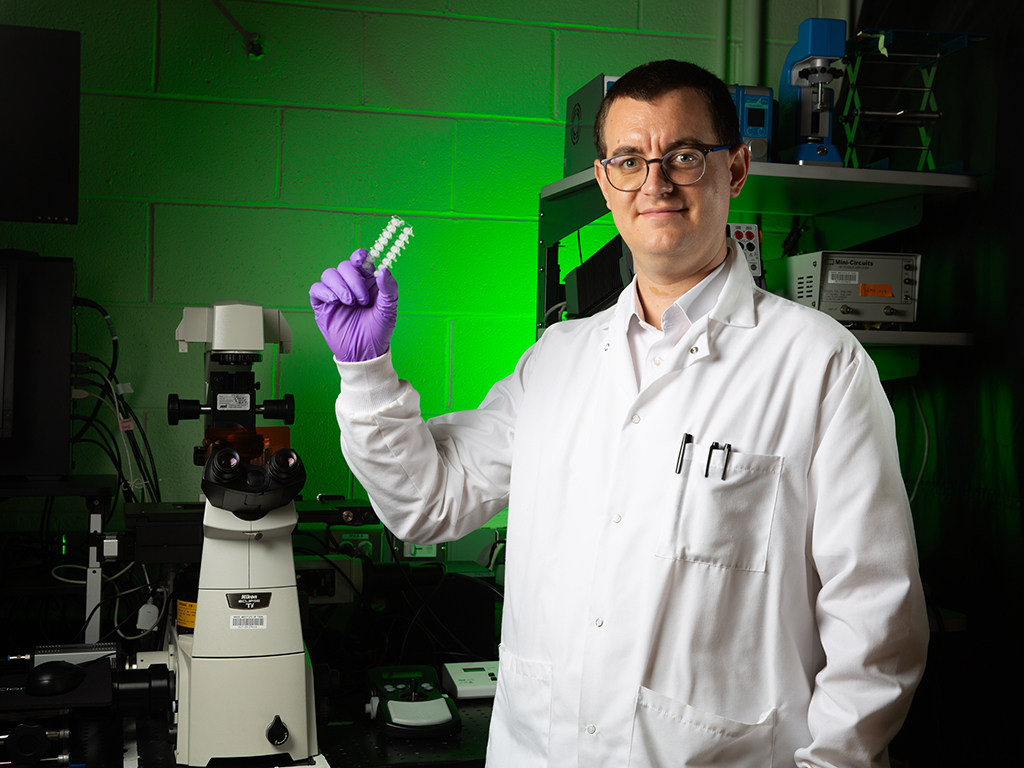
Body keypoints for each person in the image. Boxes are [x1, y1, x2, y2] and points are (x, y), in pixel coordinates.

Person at [309, 59, 929, 768]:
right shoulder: (555, 362)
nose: (655, 183)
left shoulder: (819, 364)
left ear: (736, 169)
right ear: (606, 184)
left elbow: (875, 623)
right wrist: (364, 373)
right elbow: (426, 503)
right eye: (631, 160)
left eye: (685, 157)